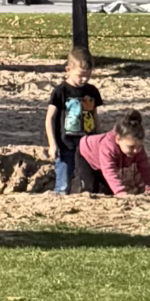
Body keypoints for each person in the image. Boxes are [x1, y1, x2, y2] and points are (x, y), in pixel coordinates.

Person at [81, 110, 150, 197]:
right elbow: (109, 170)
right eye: (131, 147)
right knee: (90, 188)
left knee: (106, 192)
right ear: (117, 139)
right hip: (86, 154)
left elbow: (145, 170)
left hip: (102, 164)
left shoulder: (138, 150)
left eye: (139, 146)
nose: (136, 151)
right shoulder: (108, 146)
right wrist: (120, 192)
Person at [44, 52, 103, 194]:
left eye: (88, 75)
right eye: (80, 75)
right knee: (64, 181)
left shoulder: (92, 91)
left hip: (87, 144)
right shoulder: (60, 91)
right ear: (68, 70)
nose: (84, 79)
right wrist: (52, 144)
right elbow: (49, 118)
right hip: (66, 144)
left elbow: (95, 116)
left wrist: (99, 139)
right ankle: (60, 198)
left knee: (89, 180)